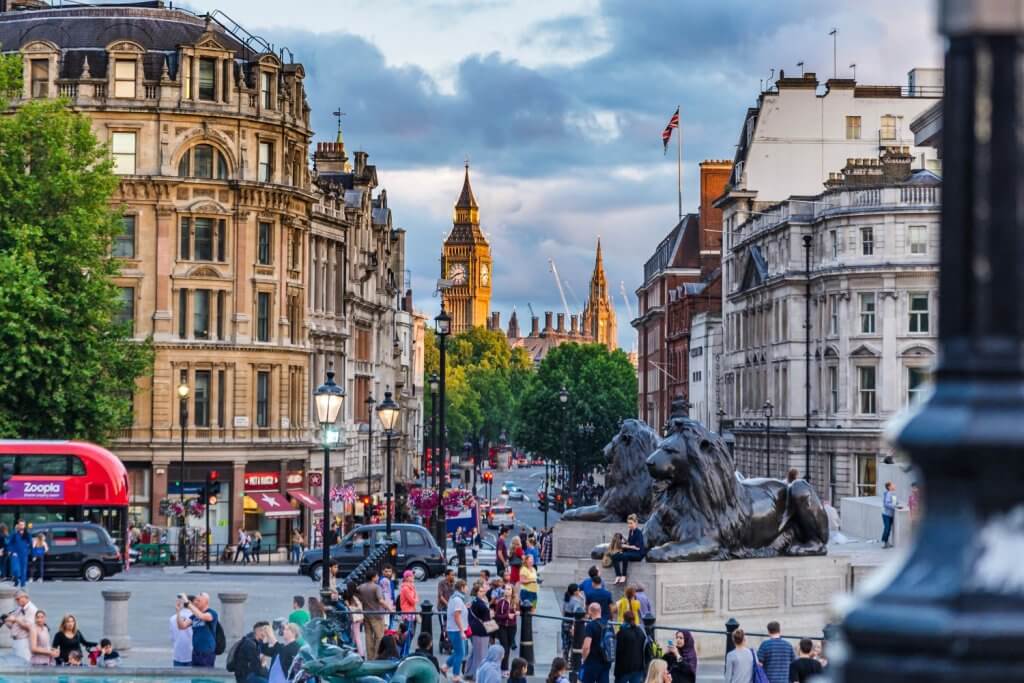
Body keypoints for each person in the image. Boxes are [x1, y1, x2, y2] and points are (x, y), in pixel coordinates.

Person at [177, 591, 219, 667]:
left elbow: (201, 616)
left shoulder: (212, 613)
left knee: (206, 676)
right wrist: (178, 612)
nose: (196, 602)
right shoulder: (194, 616)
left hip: (207, 652)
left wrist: (187, 602)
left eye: (199, 600)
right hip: (196, 652)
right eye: (196, 600)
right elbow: (182, 626)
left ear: (206, 601)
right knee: (195, 676)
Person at [357, 569, 387, 660]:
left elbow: (357, 598)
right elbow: (381, 600)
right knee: (379, 636)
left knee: (368, 636)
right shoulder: (376, 587)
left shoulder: (360, 587)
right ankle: (376, 657)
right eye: (377, 576)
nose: (378, 577)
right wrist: (389, 608)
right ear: (373, 577)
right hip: (377, 615)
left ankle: (369, 657)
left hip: (366, 614)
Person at [466, 581, 493, 678]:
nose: (483, 593)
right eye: (480, 591)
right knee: (481, 655)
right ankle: (477, 675)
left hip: (475, 629)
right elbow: (486, 618)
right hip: (481, 631)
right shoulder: (479, 603)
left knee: (474, 653)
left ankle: (469, 672)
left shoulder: (474, 602)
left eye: (483, 591)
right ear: (476, 592)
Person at [445, 578, 469, 683]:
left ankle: (445, 667)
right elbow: (457, 616)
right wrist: (462, 631)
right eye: (466, 586)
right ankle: (456, 676)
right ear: (462, 588)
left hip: (454, 629)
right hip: (456, 630)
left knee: (459, 652)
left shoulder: (455, 598)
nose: (467, 588)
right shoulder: (458, 600)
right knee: (460, 653)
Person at [4, 589, 38, 661]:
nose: (17, 601)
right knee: (17, 663)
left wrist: (16, 620)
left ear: (26, 598)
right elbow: (13, 625)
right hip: (16, 640)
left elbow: (30, 627)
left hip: (24, 641)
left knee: (24, 663)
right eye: (16, 599)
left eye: (19, 599)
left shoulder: (32, 609)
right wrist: (7, 620)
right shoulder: (20, 608)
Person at [581, 603, 611, 683]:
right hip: (606, 660)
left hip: (592, 662)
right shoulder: (608, 625)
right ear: (600, 610)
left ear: (590, 612)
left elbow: (586, 646)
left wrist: (584, 659)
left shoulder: (590, 626)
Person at [611, 515, 646, 584]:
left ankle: (624, 576)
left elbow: (637, 547)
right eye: (628, 523)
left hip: (638, 554)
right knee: (614, 556)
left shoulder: (639, 533)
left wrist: (626, 546)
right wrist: (625, 543)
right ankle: (618, 575)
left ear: (636, 523)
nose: (629, 525)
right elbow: (630, 544)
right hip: (631, 552)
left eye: (631, 523)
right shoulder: (630, 531)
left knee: (625, 555)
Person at [614, 611, 646, 683]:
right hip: (638, 667)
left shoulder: (622, 632)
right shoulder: (641, 631)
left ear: (624, 619)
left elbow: (618, 651)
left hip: (624, 669)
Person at [494, 583, 517, 673]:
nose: (507, 591)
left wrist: (517, 613)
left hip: (512, 627)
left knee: (509, 647)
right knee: (505, 647)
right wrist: (507, 616)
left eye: (509, 589)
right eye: (506, 589)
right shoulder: (500, 602)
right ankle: (504, 669)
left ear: (512, 591)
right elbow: (497, 616)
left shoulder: (515, 601)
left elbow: (519, 611)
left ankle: (504, 667)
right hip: (502, 627)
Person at [398, 569, 419, 656]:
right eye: (411, 576)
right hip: (408, 613)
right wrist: (416, 598)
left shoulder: (411, 587)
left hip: (412, 613)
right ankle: (404, 653)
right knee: (408, 634)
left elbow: (416, 598)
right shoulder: (406, 588)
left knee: (411, 633)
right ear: (406, 577)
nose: (413, 577)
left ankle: (405, 652)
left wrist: (415, 598)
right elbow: (413, 601)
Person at [341, 582, 365, 657]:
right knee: (354, 634)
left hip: (356, 618)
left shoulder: (354, 597)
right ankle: (356, 651)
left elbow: (359, 608)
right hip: (358, 617)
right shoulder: (356, 595)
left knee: (357, 635)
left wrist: (349, 606)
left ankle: (361, 654)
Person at [437, 568, 455, 653]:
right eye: (452, 574)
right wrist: (448, 604)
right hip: (442, 608)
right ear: (447, 575)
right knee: (443, 627)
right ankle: (445, 645)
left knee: (450, 627)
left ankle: (446, 644)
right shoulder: (442, 583)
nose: (453, 576)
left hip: (451, 609)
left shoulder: (453, 584)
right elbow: (440, 596)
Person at [8, 519, 30, 588]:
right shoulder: (14, 534)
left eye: (23, 525)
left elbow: (30, 544)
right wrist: (12, 551)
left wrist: (30, 552)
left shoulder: (27, 534)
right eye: (20, 524)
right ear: (18, 525)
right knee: (15, 569)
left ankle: (23, 584)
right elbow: (10, 543)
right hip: (15, 554)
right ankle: (16, 579)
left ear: (24, 525)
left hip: (24, 554)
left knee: (23, 569)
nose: (21, 526)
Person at [881, 481, 897, 549]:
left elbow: (893, 502)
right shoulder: (888, 493)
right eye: (893, 485)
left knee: (888, 529)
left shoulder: (892, 493)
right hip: (886, 514)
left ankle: (886, 542)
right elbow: (886, 504)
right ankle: (884, 542)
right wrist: (894, 506)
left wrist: (897, 504)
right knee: (887, 528)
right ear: (889, 487)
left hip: (890, 514)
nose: (894, 486)